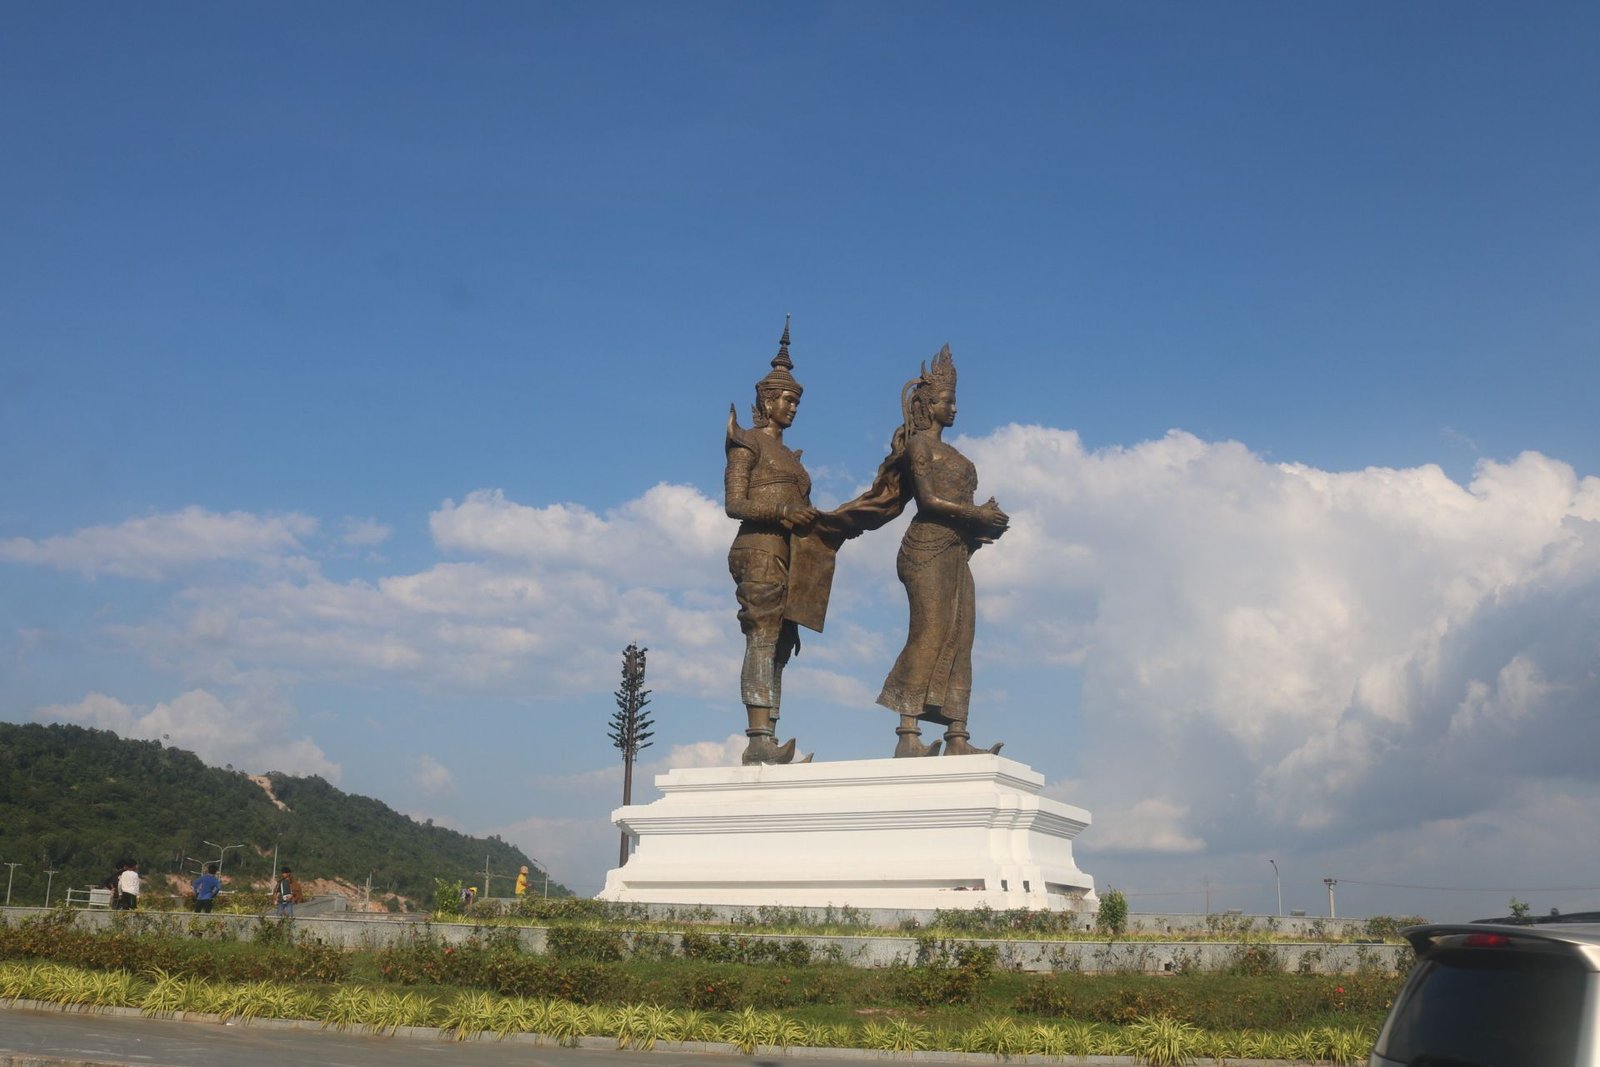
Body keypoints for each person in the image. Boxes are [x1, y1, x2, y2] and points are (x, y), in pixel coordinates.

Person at [874, 346, 1009, 756]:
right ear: (927, 406)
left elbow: (961, 512)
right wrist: (974, 511)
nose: (954, 408)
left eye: (954, 400)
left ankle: (957, 736)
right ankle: (908, 734)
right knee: (929, 631)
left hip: (957, 552)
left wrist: (985, 524)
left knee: (961, 634)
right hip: (926, 548)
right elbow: (929, 502)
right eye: (947, 401)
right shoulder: (920, 448)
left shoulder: (958, 455)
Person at [724, 319, 822, 764]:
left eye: (797, 401)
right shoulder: (746, 444)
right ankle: (757, 737)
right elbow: (735, 504)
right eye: (785, 399)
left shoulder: (792, 458)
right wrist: (782, 511)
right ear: (766, 400)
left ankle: (771, 734)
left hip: (789, 555)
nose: (792, 407)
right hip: (758, 548)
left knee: (781, 643)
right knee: (762, 637)